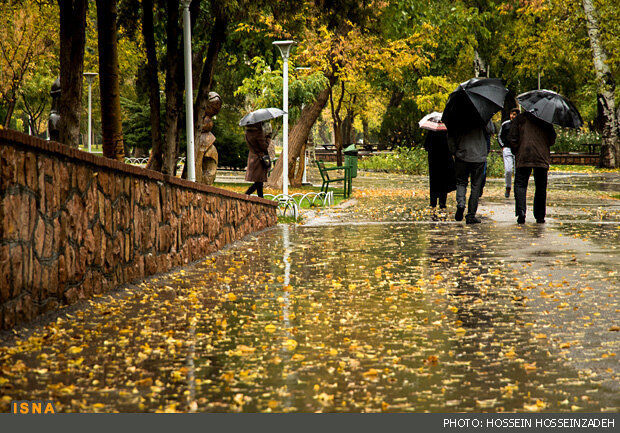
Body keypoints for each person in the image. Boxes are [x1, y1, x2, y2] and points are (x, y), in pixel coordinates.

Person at [507, 111, 557, 224]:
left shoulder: (520, 118)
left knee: (520, 184)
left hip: (524, 155)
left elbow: (512, 137)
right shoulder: (546, 120)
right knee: (540, 186)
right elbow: (552, 139)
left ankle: (521, 212)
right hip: (541, 157)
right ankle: (539, 216)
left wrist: (517, 151)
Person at [448, 121, 494, 224]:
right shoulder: (483, 113)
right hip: (479, 156)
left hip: (462, 154)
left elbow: (451, 135)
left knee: (461, 182)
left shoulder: (457, 115)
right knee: (476, 186)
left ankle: (461, 204)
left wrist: (454, 151)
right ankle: (471, 215)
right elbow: (491, 130)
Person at [423, 130, 456, 220]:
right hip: (444, 160)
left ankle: (433, 202)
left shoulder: (431, 131)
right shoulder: (447, 131)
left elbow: (426, 146)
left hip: (433, 160)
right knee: (444, 180)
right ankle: (442, 202)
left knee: (433, 180)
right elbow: (452, 146)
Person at [244, 121, 271, 198]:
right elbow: (264, 146)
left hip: (252, 157)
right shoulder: (258, 133)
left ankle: (261, 198)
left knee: (259, 181)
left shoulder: (247, 133)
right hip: (259, 159)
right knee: (259, 181)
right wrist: (268, 138)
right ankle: (246, 194)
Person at [498, 108, 520, 198]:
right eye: (511, 114)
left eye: (514, 114)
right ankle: (508, 187)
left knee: (517, 170)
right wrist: (503, 146)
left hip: (518, 150)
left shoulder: (521, 125)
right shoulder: (505, 124)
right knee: (508, 170)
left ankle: (517, 189)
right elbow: (499, 136)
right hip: (507, 149)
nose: (512, 116)